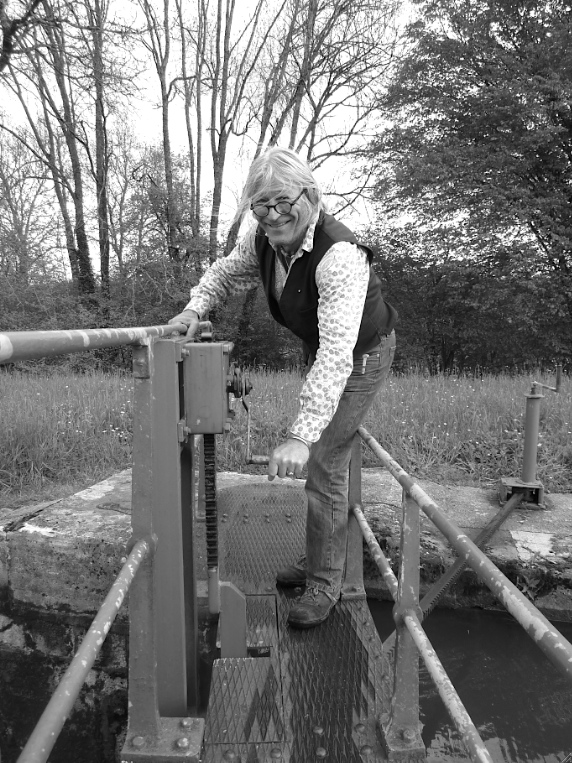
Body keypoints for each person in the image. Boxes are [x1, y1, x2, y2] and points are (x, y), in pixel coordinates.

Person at [169, 147, 397, 629]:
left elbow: (338, 352)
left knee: (325, 457)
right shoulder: (263, 239)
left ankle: (324, 582)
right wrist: (195, 310)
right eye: (260, 205)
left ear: (310, 196)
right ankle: (321, 556)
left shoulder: (339, 256)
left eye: (281, 202)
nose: (272, 215)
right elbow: (224, 274)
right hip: (330, 348)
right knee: (325, 453)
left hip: (362, 352)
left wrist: (300, 434)